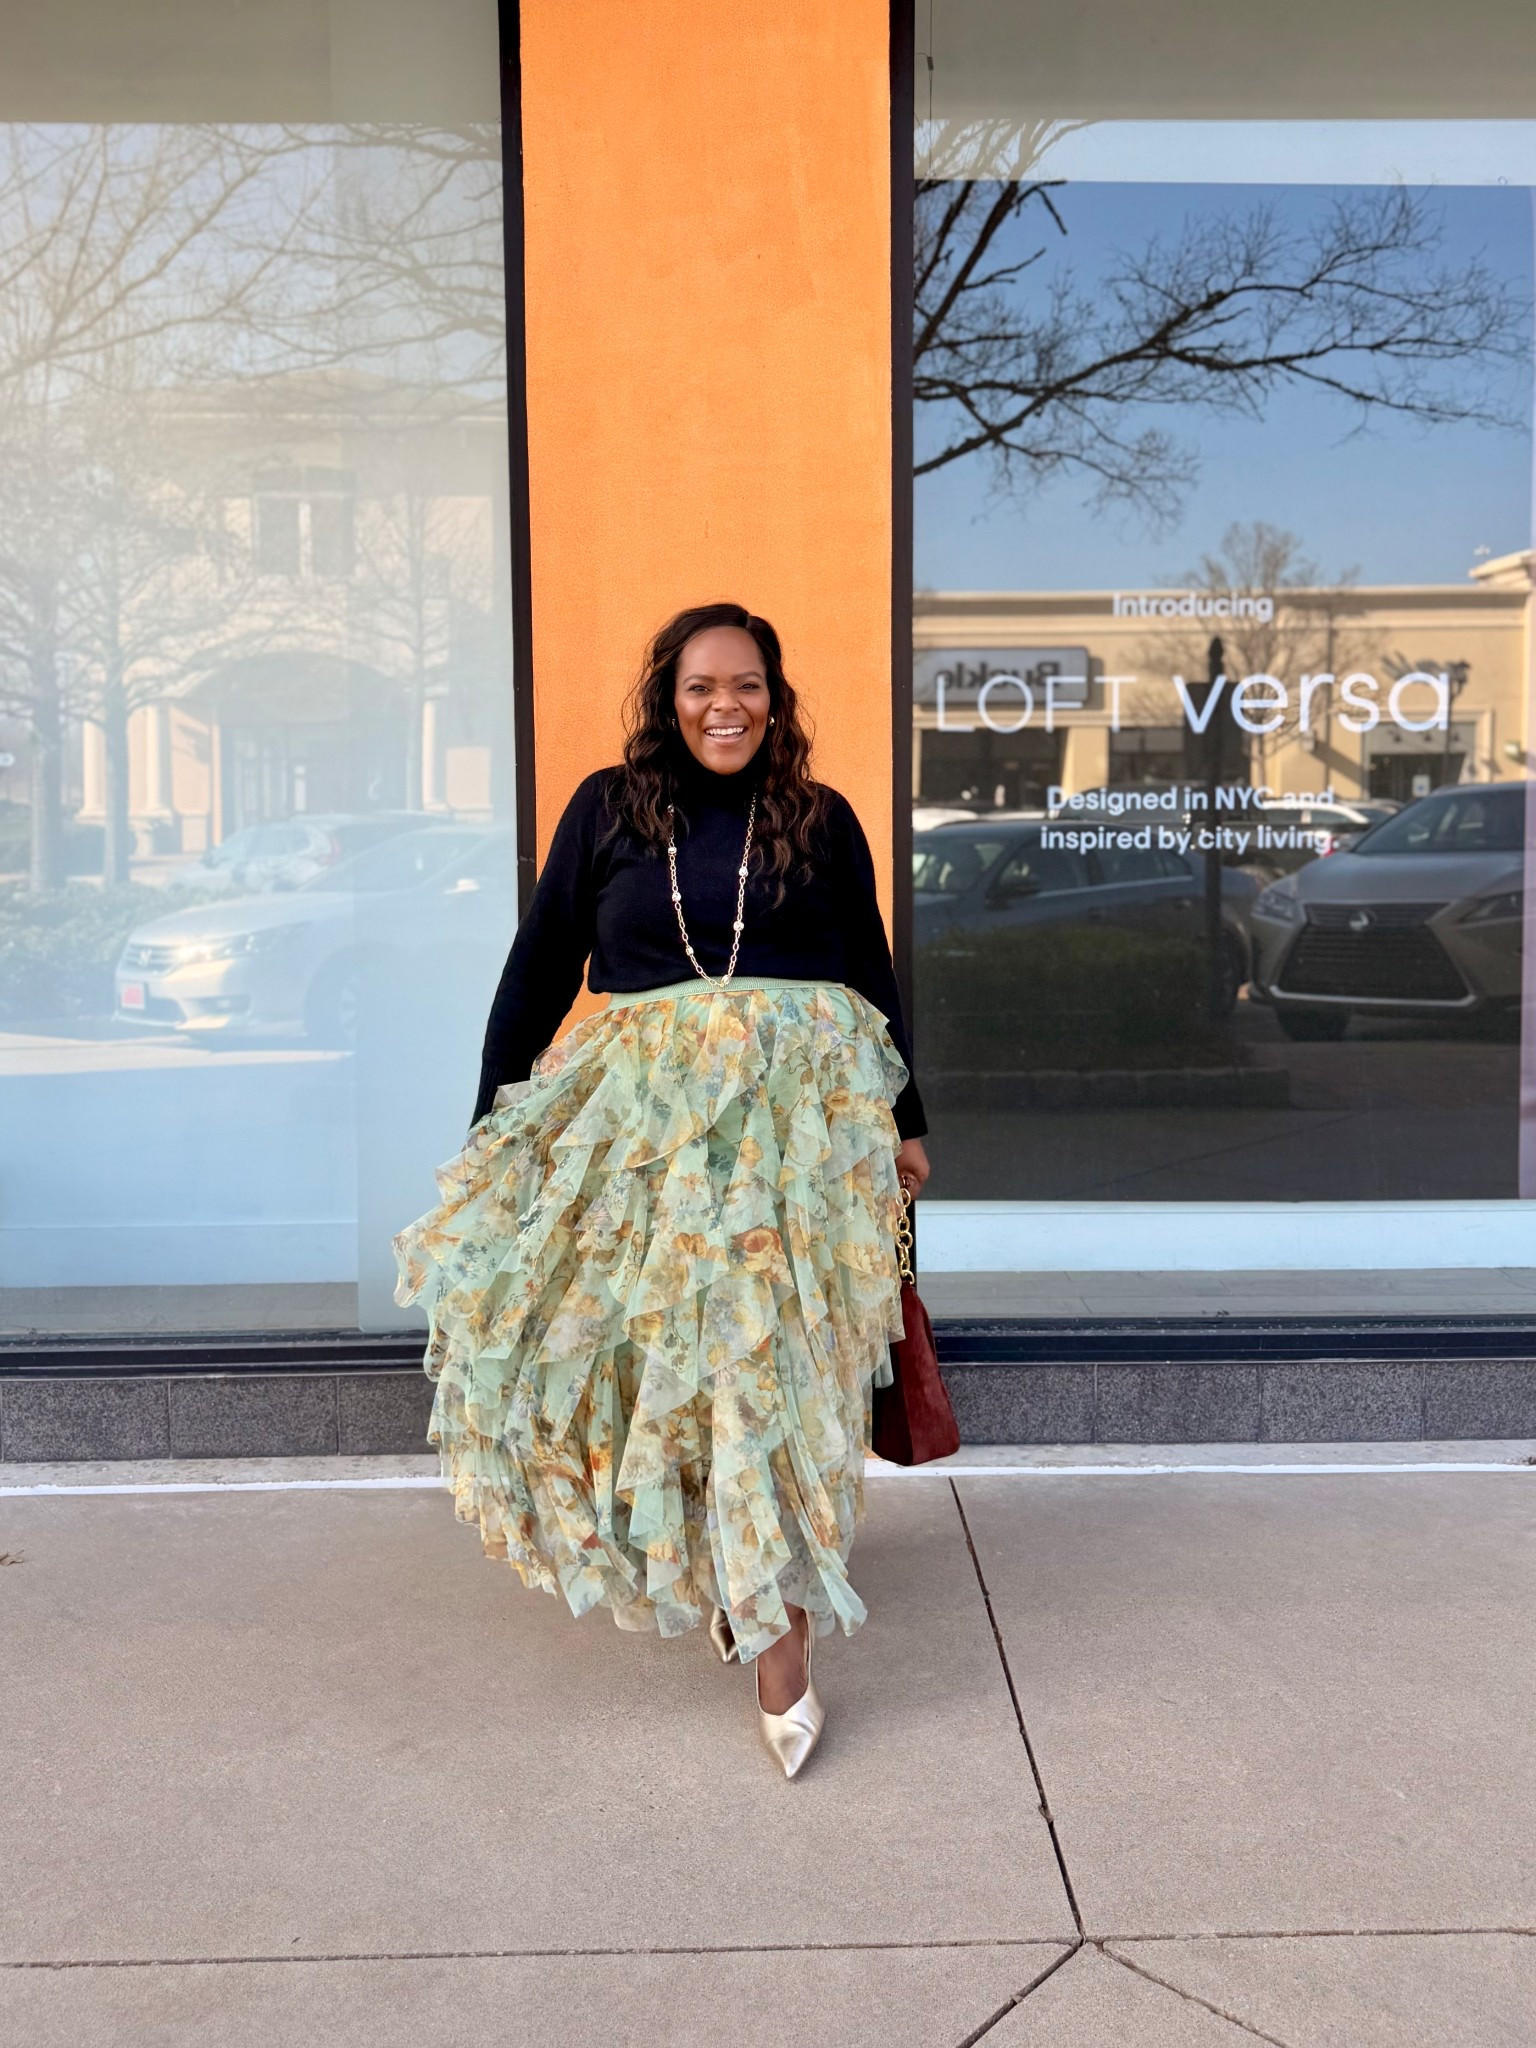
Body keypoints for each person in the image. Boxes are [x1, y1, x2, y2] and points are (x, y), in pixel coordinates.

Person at [393, 601, 930, 1778]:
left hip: (800, 1148)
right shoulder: (608, 808)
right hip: (648, 1145)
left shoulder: (822, 820)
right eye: (700, 686)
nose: (724, 705)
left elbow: (872, 971)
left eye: (747, 685)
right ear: (668, 696)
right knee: (666, 1368)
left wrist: (906, 1121)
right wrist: (493, 1120)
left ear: (775, 698)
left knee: (769, 1366)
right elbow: (537, 966)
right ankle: (736, 1569)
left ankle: (776, 1631)